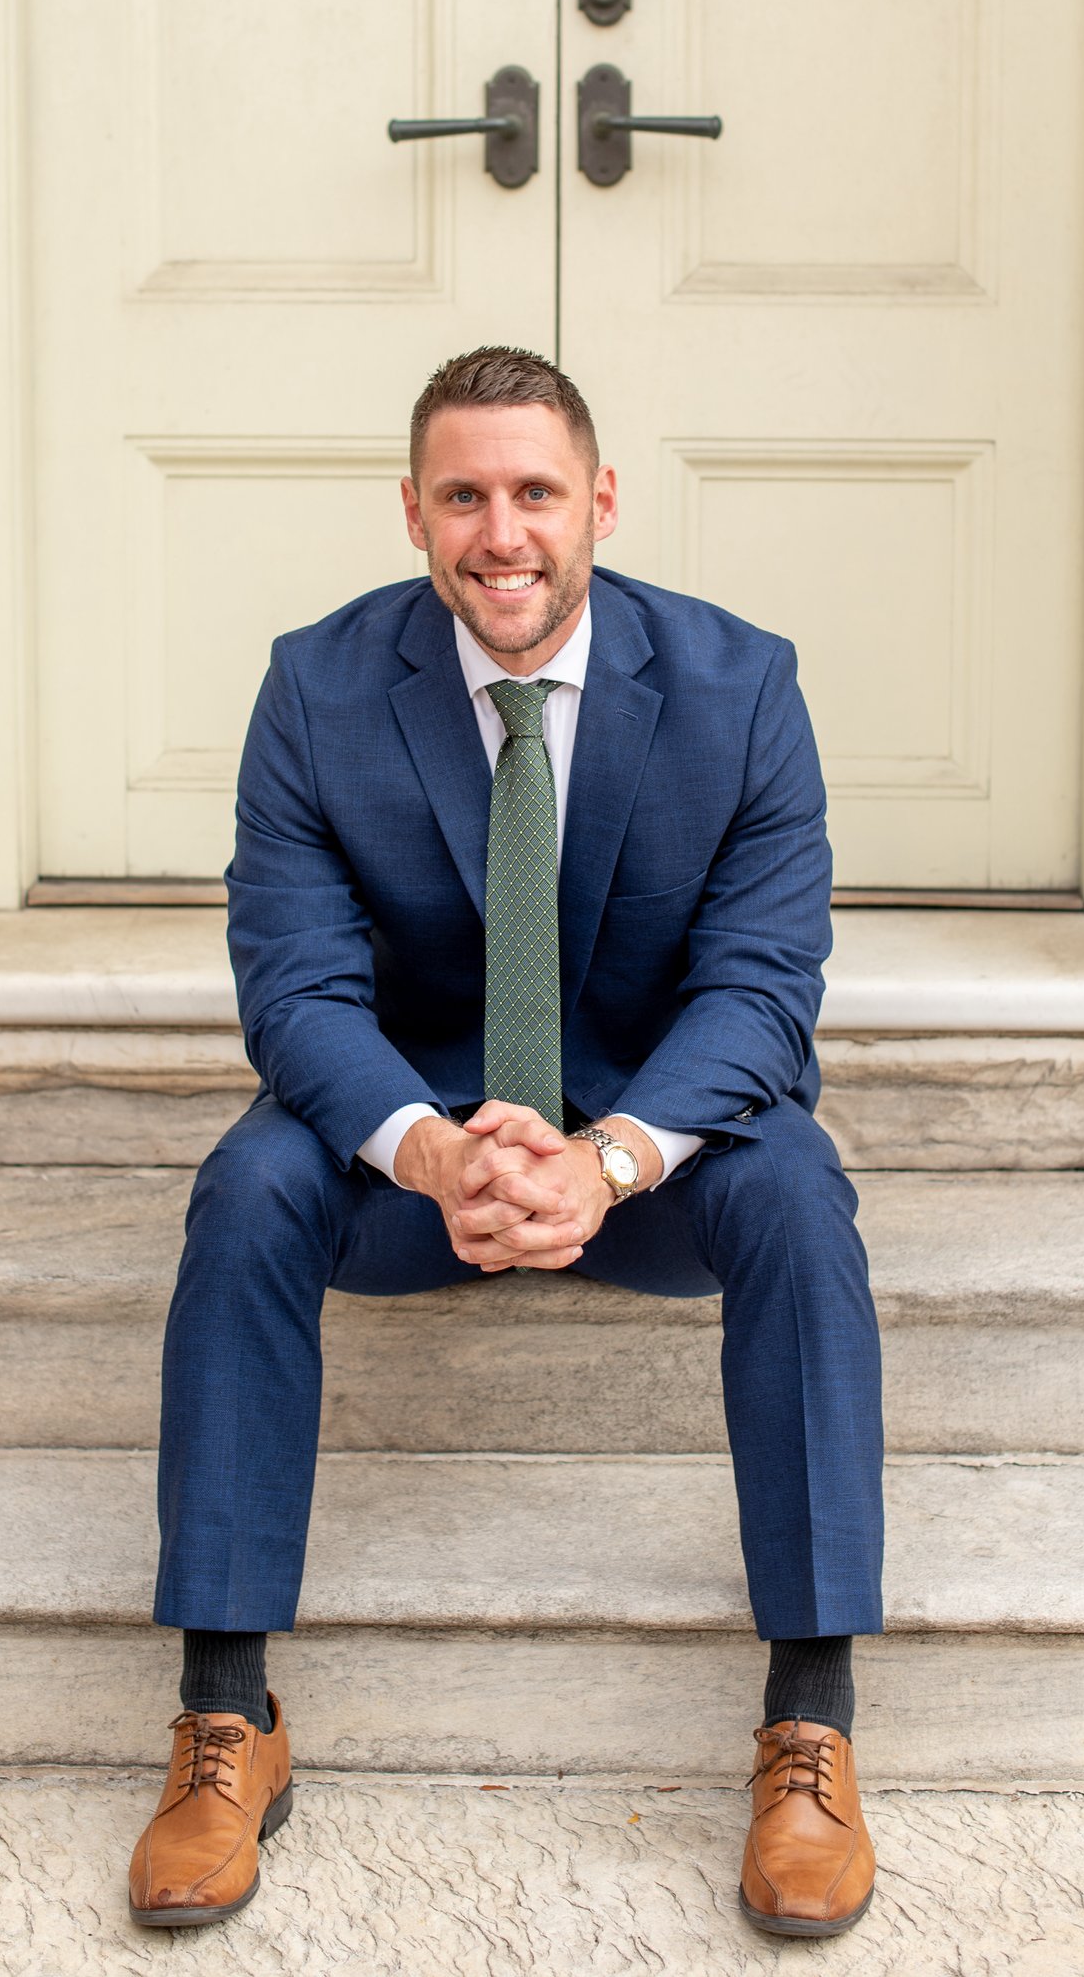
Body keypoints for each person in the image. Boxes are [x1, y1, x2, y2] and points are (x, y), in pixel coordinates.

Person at [127, 346, 884, 1939]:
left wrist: (606, 1156)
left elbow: (762, 987)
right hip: (421, 1162)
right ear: (411, 510)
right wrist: (425, 1152)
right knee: (252, 1178)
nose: (502, 534)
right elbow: (295, 982)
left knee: (803, 1187)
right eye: (462, 495)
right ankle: (224, 1719)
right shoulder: (316, 686)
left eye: (535, 491)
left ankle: (809, 1719)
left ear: (598, 500)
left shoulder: (741, 685)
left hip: (649, 1154)